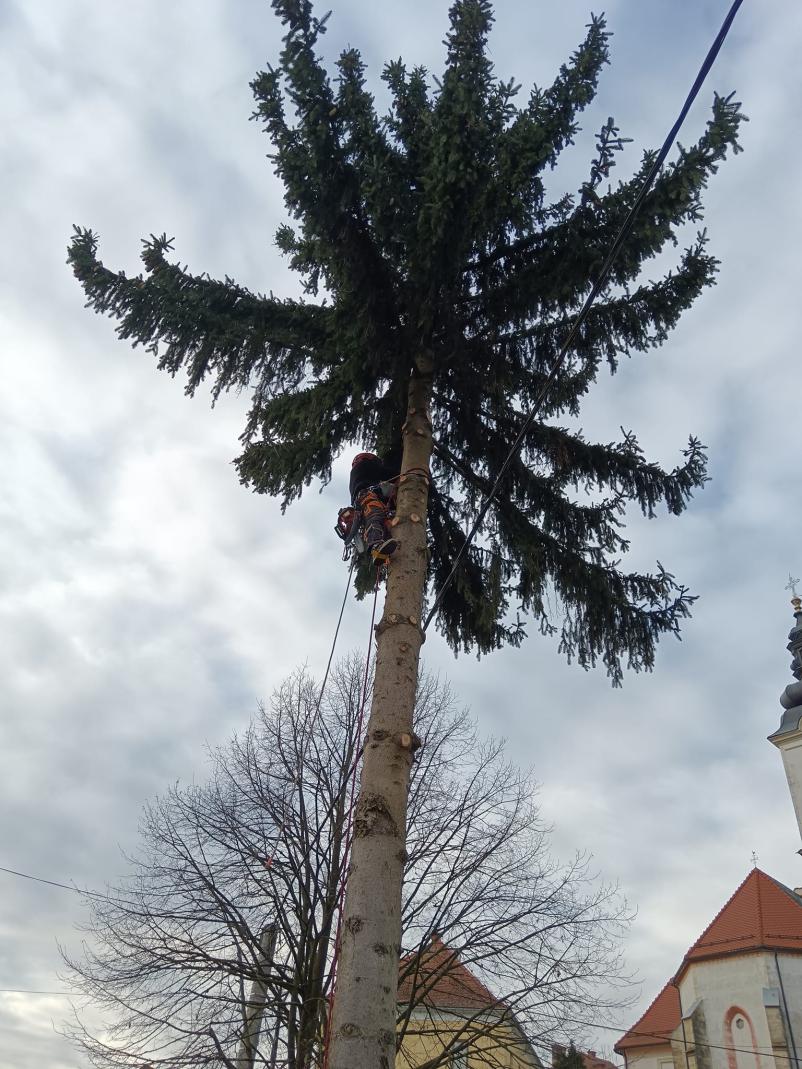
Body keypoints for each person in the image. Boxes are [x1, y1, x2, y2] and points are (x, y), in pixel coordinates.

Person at [348, 451, 398, 560]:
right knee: (375, 516)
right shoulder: (364, 465)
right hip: (367, 496)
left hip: (366, 498)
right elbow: (386, 473)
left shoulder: (357, 474)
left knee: (384, 522)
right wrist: (403, 473)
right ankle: (375, 545)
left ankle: (386, 552)